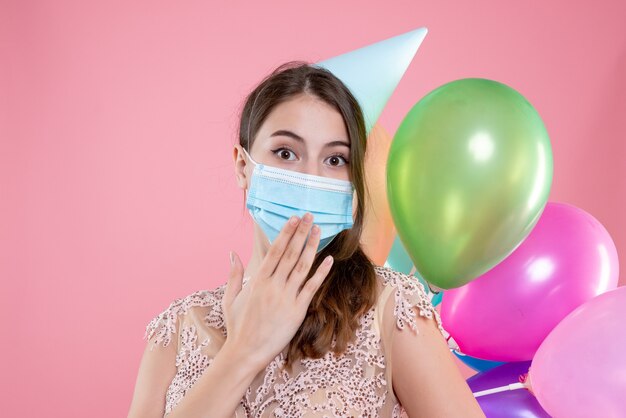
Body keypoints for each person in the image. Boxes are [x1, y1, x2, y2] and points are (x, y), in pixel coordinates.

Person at [127, 61, 485, 418]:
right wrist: (243, 351)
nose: (311, 178)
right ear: (242, 166)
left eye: (335, 159)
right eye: (286, 153)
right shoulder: (178, 328)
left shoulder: (390, 310)